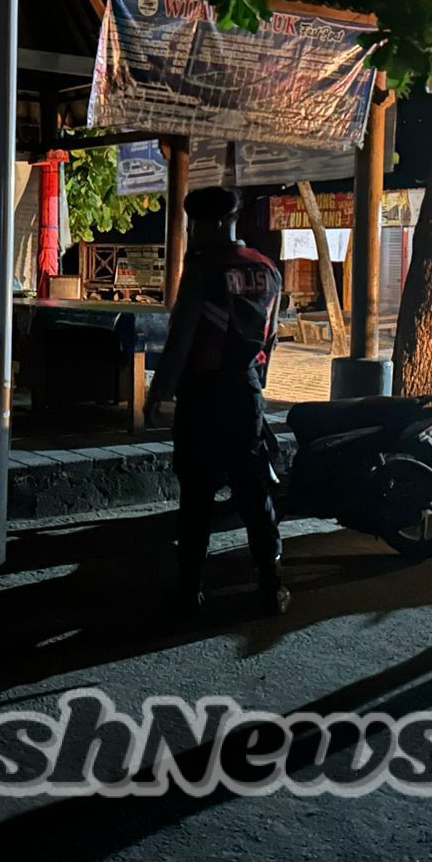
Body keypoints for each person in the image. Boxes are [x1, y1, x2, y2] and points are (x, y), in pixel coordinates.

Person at [145, 186, 288, 618]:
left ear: (217, 223)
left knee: (197, 495)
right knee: (254, 491)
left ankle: (190, 590)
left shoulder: (204, 270)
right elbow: (271, 338)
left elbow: (181, 338)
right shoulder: (268, 269)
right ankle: (272, 584)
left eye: (198, 225)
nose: (194, 233)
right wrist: (256, 386)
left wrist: (159, 392)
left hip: (202, 397)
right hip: (246, 394)